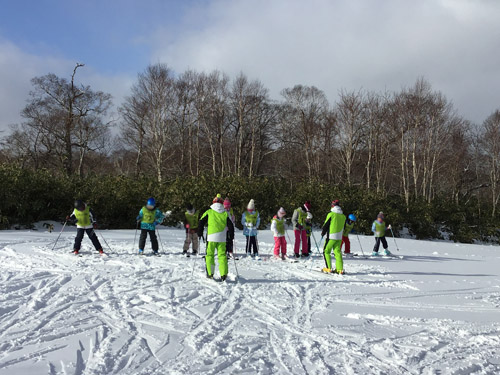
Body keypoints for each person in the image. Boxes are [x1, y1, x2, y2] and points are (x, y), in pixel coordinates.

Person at [198, 194, 235, 280]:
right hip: (222, 238)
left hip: (211, 237)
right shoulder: (225, 213)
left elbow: (201, 222)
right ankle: (223, 274)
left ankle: (210, 273)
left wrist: (199, 233)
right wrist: (231, 236)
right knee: (222, 255)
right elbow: (231, 225)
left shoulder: (209, 212)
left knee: (209, 255)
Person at [321, 200, 346, 274]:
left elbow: (326, 225)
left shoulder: (331, 214)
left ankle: (329, 268)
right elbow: (344, 227)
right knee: (337, 252)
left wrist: (323, 232)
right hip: (339, 237)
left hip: (331, 236)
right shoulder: (343, 216)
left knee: (326, 251)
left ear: (333, 205)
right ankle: (340, 269)